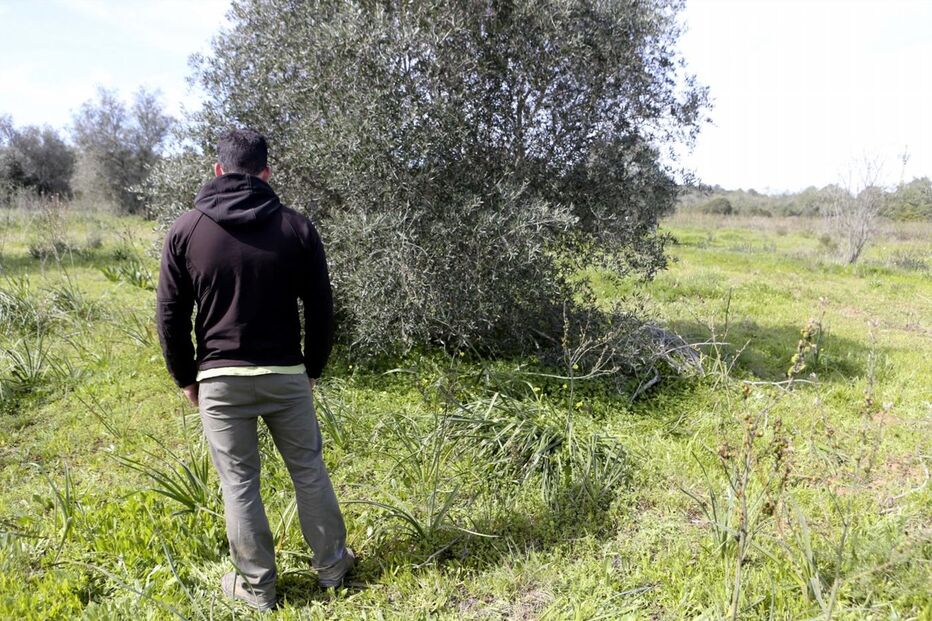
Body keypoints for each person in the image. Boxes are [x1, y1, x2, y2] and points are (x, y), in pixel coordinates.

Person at [156, 128, 354, 611]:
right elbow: (322, 308)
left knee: (239, 481)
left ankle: (258, 589)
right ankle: (332, 567)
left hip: (221, 379)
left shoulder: (187, 229)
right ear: (266, 173)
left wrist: (186, 376)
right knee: (308, 470)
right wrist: (313, 367)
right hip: (286, 373)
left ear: (218, 170)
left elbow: (169, 313)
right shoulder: (297, 228)